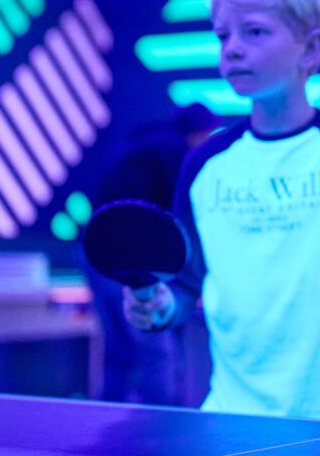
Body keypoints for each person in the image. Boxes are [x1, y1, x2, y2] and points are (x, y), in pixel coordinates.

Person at [124, 0, 320, 423]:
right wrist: (158, 306)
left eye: (255, 32)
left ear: (311, 49)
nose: (233, 49)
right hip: (228, 417)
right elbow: (184, 284)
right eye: (223, 36)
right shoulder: (203, 163)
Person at [80, 103, 218, 404]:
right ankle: (163, 429)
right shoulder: (174, 151)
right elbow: (175, 219)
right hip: (133, 260)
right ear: (200, 132)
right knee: (156, 351)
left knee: (117, 352)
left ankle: (108, 427)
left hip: (94, 255)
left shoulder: (137, 142)